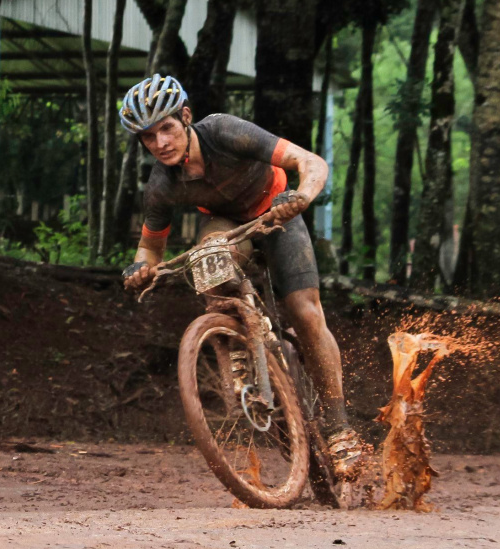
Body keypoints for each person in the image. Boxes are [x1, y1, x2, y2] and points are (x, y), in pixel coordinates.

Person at [119, 74, 361, 478]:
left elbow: (311, 162)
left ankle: (340, 431)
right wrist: (139, 269)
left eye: (166, 128)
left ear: (186, 117)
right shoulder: (161, 185)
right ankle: (239, 345)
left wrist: (299, 196)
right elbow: (150, 249)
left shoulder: (224, 131)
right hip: (227, 224)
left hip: (277, 213)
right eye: (148, 137)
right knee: (209, 258)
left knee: (304, 310)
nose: (160, 143)